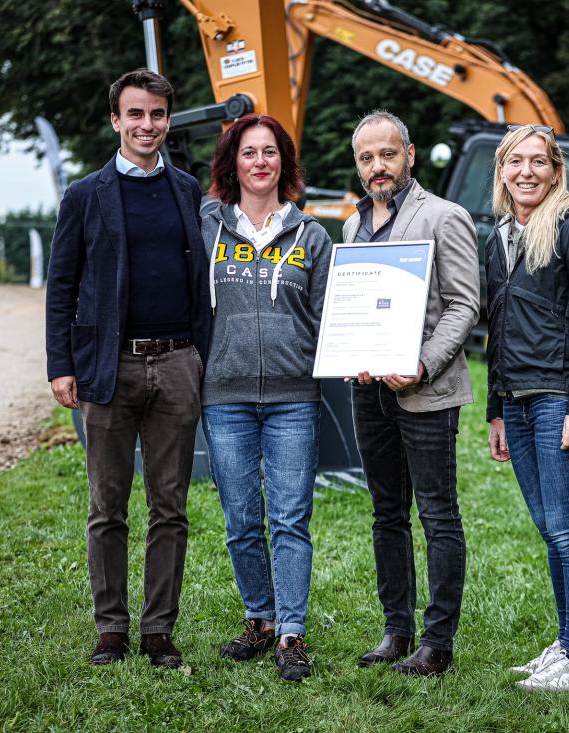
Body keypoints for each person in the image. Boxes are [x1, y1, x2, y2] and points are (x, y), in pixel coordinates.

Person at [45, 68, 211, 668]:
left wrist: (200, 358)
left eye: (158, 115)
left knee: (170, 507)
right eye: (136, 114)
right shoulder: (85, 195)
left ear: (168, 120)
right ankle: (111, 628)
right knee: (106, 506)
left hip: (176, 366)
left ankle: (157, 631)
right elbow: (61, 285)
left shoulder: (188, 191)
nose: (148, 125)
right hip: (107, 367)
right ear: (116, 120)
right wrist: (60, 364)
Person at [345, 110, 480, 676]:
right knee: (386, 513)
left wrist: (422, 364)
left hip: (424, 391)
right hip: (368, 392)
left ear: (410, 153)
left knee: (437, 514)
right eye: (366, 157)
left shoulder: (444, 217)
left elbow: (465, 304)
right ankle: (396, 632)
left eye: (388, 154)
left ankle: (438, 642)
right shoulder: (352, 227)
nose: (378, 167)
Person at [200, 113, 331, 683]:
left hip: (293, 397)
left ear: (285, 163)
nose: (260, 162)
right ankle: (258, 617)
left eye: (270, 152)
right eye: (249, 152)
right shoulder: (205, 228)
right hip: (222, 395)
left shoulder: (313, 235)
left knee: (290, 517)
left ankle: (292, 632)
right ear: (232, 163)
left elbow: (334, 317)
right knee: (240, 517)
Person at [485, 125, 569, 692]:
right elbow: (497, 329)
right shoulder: (500, 237)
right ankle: (565, 644)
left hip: (559, 398)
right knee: (550, 529)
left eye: (539, 162)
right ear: (502, 171)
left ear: (556, 171)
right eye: (516, 162)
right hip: (516, 399)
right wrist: (495, 408)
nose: (527, 172)